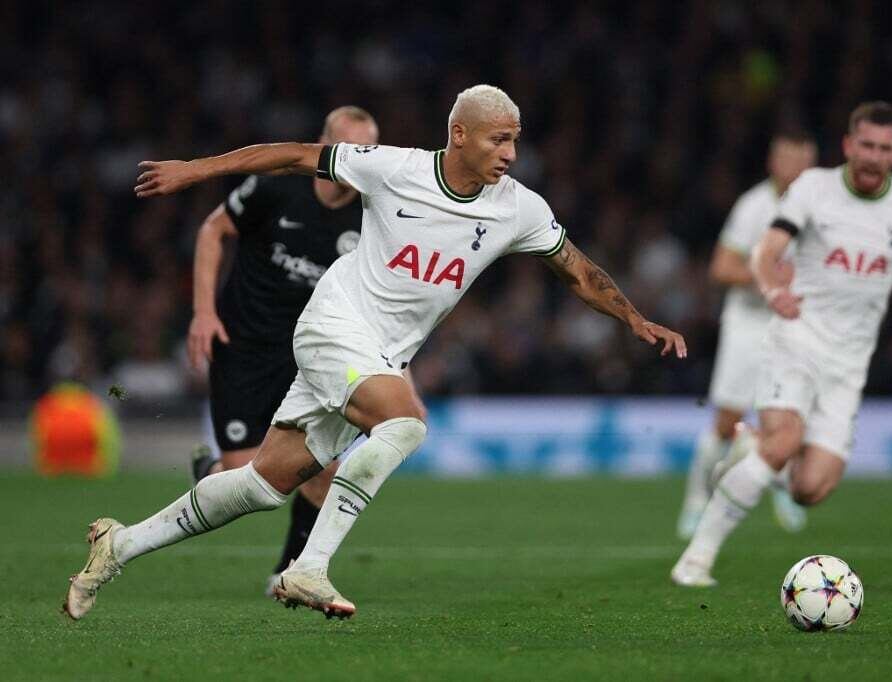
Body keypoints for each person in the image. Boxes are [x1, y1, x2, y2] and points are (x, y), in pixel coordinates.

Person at [63, 84, 687, 621]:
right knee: (404, 422)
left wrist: (633, 318)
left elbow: (577, 271)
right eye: (499, 140)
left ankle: (119, 545)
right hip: (335, 324)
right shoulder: (394, 168)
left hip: (381, 353)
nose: (511, 154)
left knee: (262, 485)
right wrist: (195, 170)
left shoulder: (518, 208)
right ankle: (309, 567)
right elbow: (294, 155)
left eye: (515, 141)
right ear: (460, 134)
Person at [671, 102, 892, 587]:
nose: (873, 156)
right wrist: (772, 289)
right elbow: (768, 249)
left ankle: (752, 448)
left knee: (809, 489)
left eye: (884, 148)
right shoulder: (813, 189)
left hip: (849, 362)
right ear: (848, 145)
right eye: (866, 145)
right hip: (795, 339)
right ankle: (696, 560)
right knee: (785, 440)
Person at [185, 106, 425, 594]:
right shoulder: (275, 188)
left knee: (322, 468)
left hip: (316, 353)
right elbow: (213, 230)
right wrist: (203, 312)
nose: (355, 159)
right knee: (247, 477)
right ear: (323, 144)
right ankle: (208, 470)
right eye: (345, 147)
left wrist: (402, 375)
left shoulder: (374, 215)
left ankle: (289, 571)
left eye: (366, 150)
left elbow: (386, 309)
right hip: (244, 345)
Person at [677, 132, 817, 540]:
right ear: (774, 162)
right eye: (790, 159)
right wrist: (767, 277)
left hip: (794, 324)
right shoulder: (754, 207)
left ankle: (785, 488)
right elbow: (721, 268)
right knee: (727, 422)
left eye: (805, 161)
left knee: (791, 416)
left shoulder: (820, 209)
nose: (798, 169)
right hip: (750, 322)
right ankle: (696, 500)